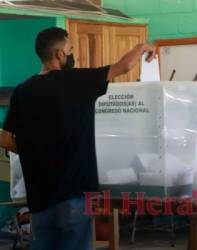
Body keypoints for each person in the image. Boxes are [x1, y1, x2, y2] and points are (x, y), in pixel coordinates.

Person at [0, 27, 156, 250]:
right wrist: (141, 48)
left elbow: (5, 140)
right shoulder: (79, 81)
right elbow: (124, 66)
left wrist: (35, 152)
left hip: (39, 199)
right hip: (76, 195)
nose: (73, 54)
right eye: (70, 49)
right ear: (60, 55)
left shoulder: (23, 91)